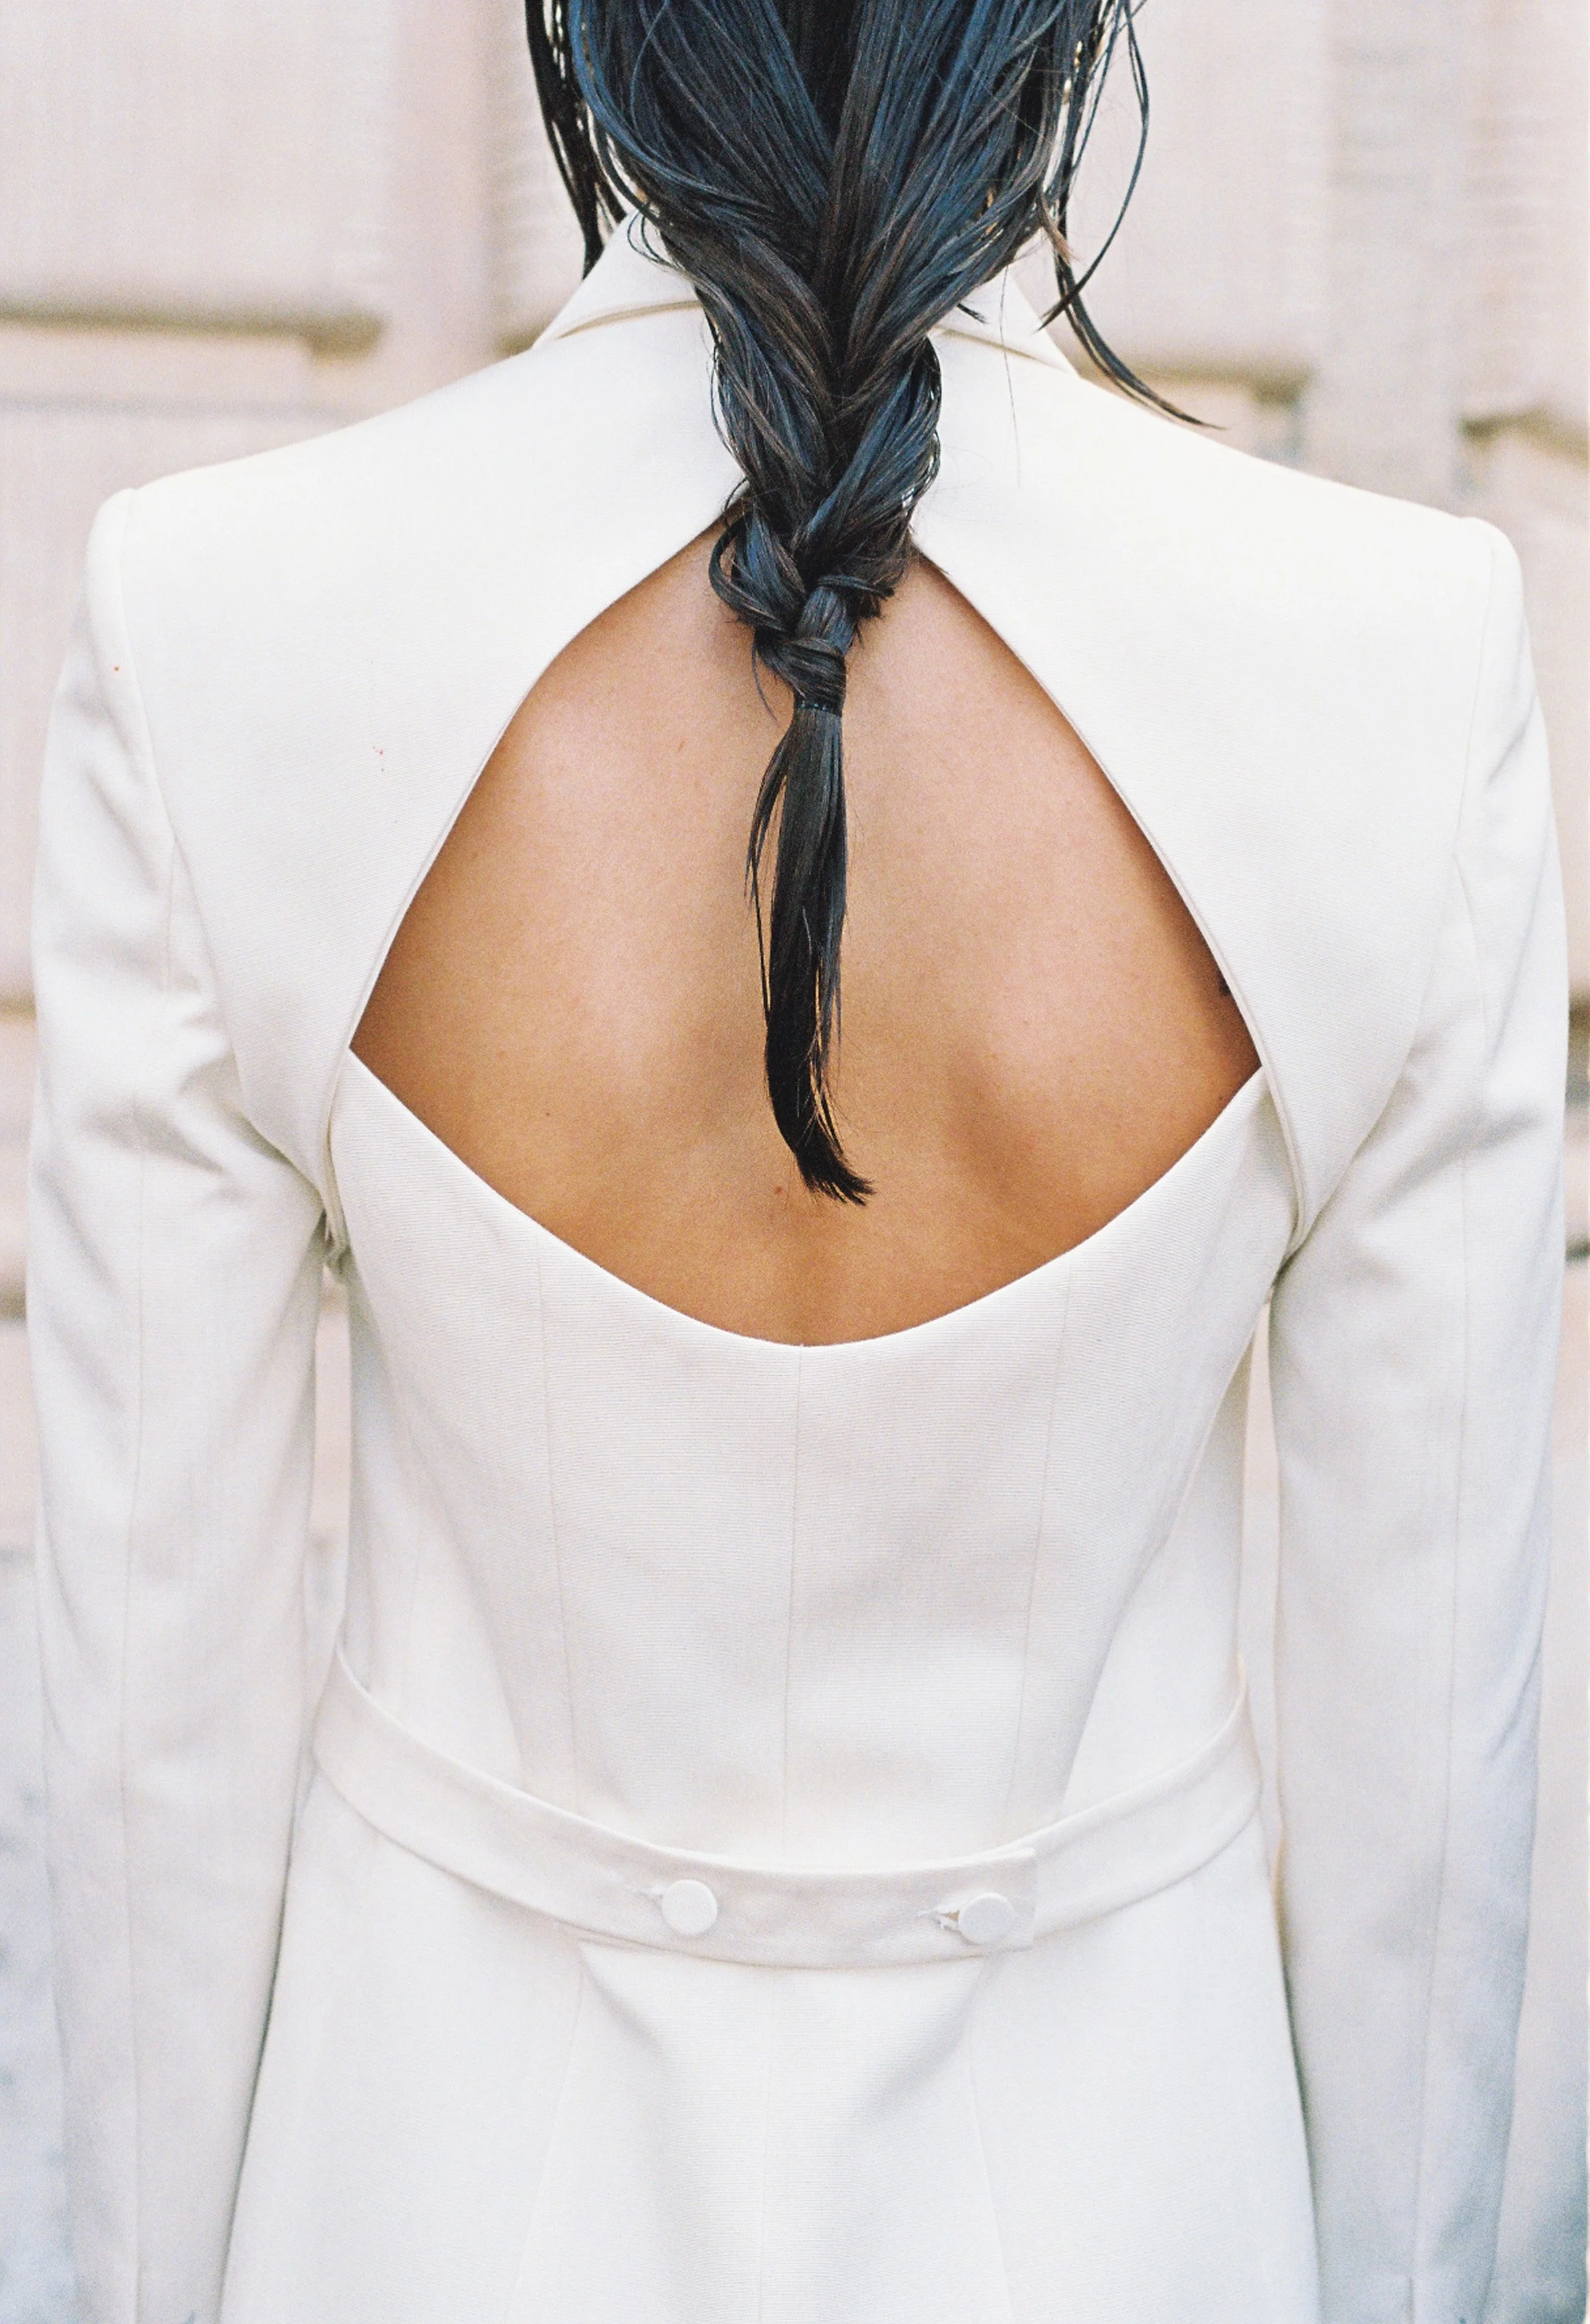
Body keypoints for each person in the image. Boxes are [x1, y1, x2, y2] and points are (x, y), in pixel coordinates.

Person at [27, 3, 1566, 2319]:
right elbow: (1427, 1820)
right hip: (1136, 2231)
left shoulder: (216, 622)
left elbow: (143, 1769)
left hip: (420, 2217)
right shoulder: (1404, 668)